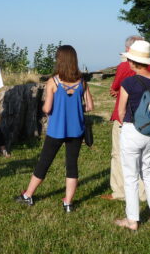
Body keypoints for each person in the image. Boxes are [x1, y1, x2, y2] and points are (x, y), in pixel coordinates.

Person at [15, 45, 93, 212]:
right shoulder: (82, 82)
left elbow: (47, 108)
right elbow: (90, 106)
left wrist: (48, 106)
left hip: (57, 129)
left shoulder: (53, 82)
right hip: (76, 131)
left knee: (44, 163)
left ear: (59, 60)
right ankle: (68, 202)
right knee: (72, 165)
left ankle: (28, 195)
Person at [114, 40, 150, 231]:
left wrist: (125, 126)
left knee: (130, 177)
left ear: (133, 62)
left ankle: (132, 220)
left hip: (132, 130)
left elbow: (121, 110)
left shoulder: (128, 82)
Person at [101, 36, 150, 202]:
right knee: (142, 157)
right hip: (145, 117)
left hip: (125, 116)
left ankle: (120, 191)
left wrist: (118, 92)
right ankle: (143, 192)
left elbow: (115, 86)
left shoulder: (124, 66)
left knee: (118, 154)